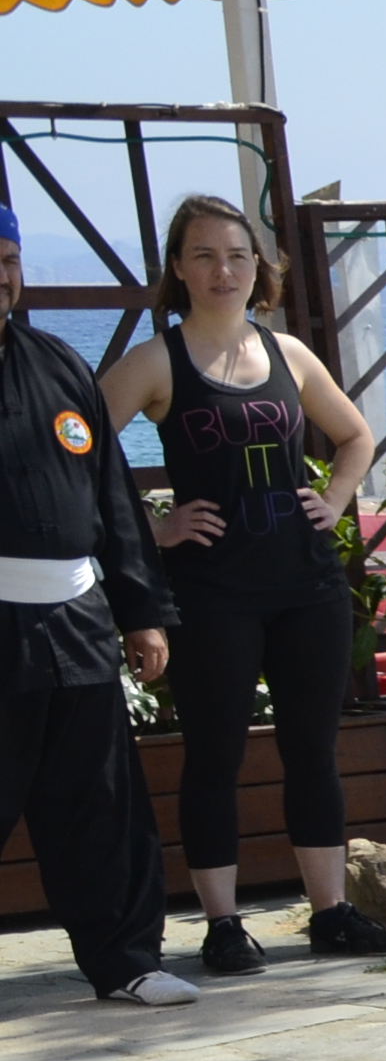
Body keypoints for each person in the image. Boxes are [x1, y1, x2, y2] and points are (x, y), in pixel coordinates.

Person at [96, 196, 386, 971]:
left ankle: (331, 914)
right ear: (178, 268)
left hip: (307, 587)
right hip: (211, 595)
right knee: (214, 757)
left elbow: (356, 436)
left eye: (237, 255)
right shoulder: (156, 362)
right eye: (203, 255)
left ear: (258, 267)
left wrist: (335, 498)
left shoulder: (289, 353)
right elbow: (80, 454)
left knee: (313, 752)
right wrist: (153, 528)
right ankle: (224, 926)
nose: (222, 270)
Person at [0, 205, 193, 1007]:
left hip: (75, 622)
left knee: (99, 803)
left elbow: (112, 497)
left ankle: (126, 961)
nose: (1, 275)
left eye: (8, 259)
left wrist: (141, 611)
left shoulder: (59, 364)